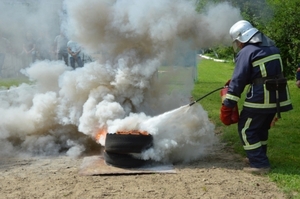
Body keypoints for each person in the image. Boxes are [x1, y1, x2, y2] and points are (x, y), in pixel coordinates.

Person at [220, 20, 293, 174]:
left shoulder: (247, 51)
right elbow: (264, 72)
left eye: (238, 41)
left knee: (246, 129)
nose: (238, 45)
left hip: (261, 98)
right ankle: (258, 156)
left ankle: (260, 164)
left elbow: (239, 80)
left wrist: (228, 104)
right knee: (260, 128)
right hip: (277, 97)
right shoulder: (272, 47)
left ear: (243, 37)